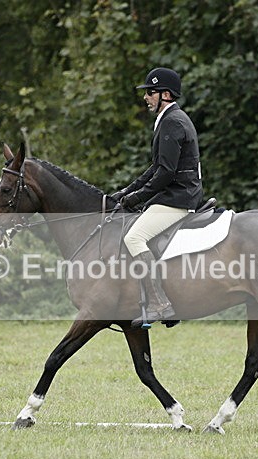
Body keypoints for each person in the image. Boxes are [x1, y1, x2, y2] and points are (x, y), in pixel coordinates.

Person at [111, 67, 203, 327]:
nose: (145, 97)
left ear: (165, 94)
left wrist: (137, 197)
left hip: (179, 197)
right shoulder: (171, 119)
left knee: (134, 237)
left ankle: (160, 303)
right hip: (175, 194)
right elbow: (156, 167)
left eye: (150, 92)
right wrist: (127, 191)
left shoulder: (172, 121)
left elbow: (166, 172)